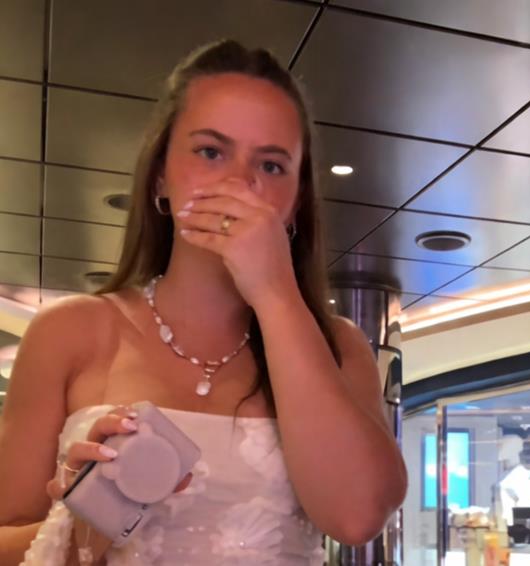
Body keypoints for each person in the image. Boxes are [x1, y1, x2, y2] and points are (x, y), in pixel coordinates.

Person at [0, 40, 407, 565]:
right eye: (211, 152)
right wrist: (82, 522)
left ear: (295, 203)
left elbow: (357, 517)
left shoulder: (338, 347)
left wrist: (276, 294)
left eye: (272, 166)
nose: (239, 183)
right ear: (161, 176)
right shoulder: (69, 332)